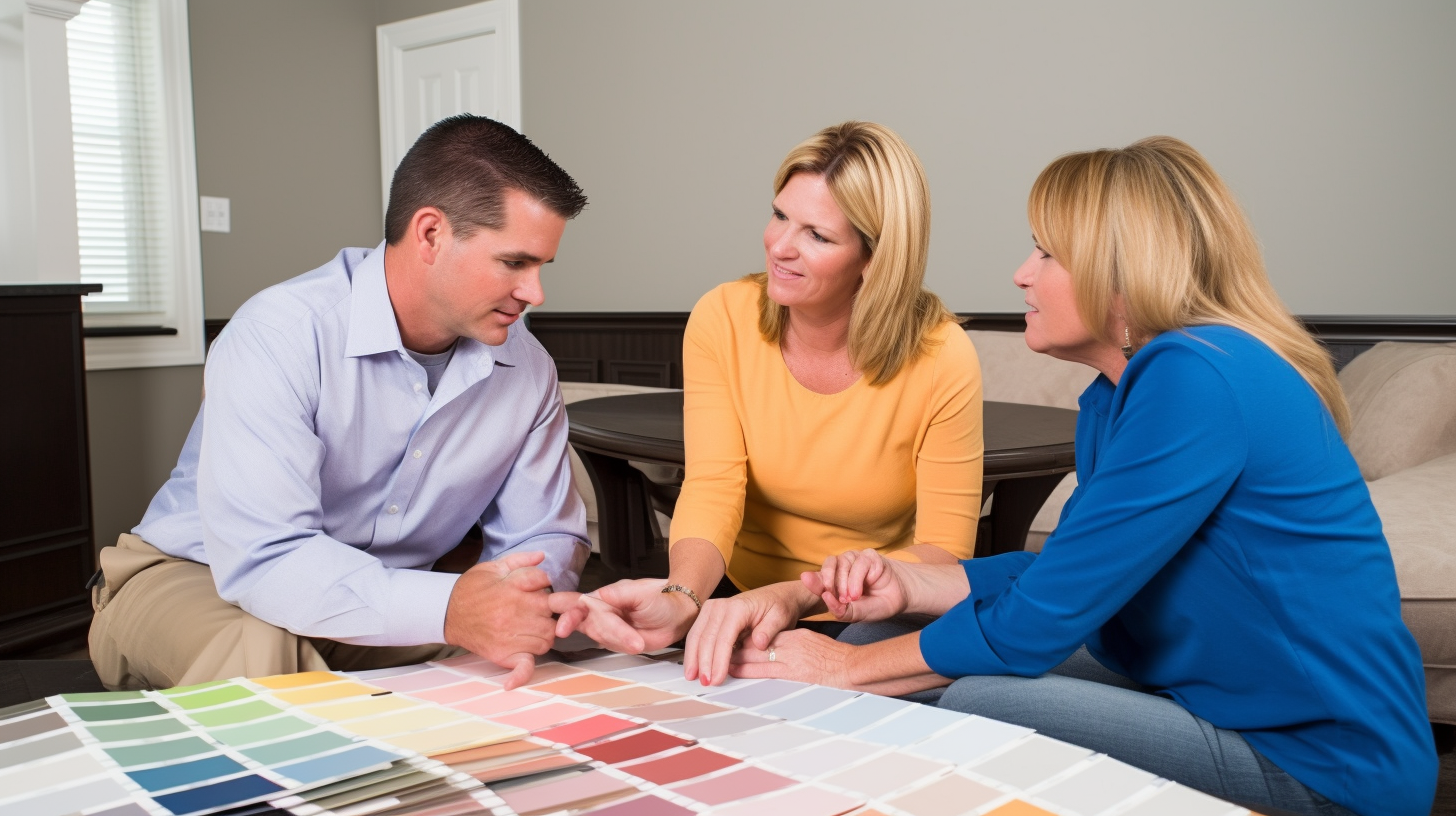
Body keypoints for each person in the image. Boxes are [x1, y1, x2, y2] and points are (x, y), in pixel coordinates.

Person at [724, 137, 1437, 816]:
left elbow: (1037, 625)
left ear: (1117, 275)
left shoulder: (1199, 378)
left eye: (1046, 252)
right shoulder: (1118, 393)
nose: (1021, 273)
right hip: (1206, 693)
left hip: (1320, 766)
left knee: (978, 700)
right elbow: (1067, 574)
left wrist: (839, 674)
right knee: (887, 637)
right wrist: (912, 583)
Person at [88, 115, 591, 692]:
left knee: (545, 657)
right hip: (198, 577)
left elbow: (541, 537)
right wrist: (453, 606)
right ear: (430, 234)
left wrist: (524, 605)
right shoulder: (280, 333)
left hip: (383, 589)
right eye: (514, 263)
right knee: (269, 667)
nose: (536, 294)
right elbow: (267, 561)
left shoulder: (529, 370)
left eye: (541, 267)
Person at [550, 121, 983, 685]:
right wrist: (682, 595)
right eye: (780, 215)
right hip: (741, 595)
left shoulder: (943, 356)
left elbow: (944, 556)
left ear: (874, 258)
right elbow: (713, 484)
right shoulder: (723, 318)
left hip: (872, 609)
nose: (779, 246)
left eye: (817, 235)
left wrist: (800, 599)